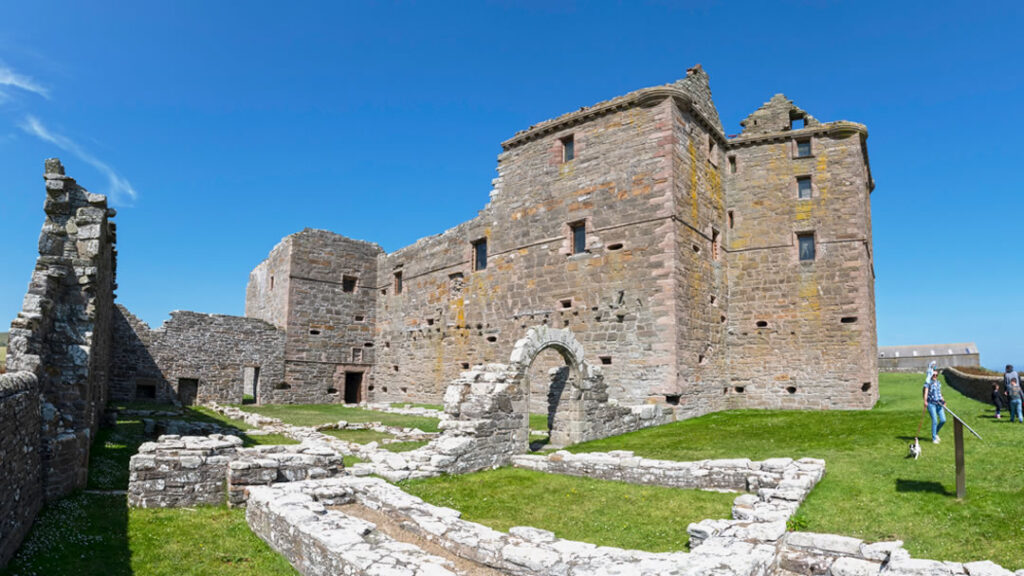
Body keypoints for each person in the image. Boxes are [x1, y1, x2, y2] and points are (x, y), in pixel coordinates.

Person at [923, 371, 946, 443]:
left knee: (943, 420)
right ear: (931, 375)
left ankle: (936, 433)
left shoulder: (938, 383)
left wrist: (943, 401)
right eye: (933, 375)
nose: (935, 376)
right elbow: (926, 392)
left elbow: (940, 393)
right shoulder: (928, 383)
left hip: (939, 403)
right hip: (931, 404)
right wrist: (925, 401)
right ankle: (934, 439)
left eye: (936, 375)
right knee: (935, 420)